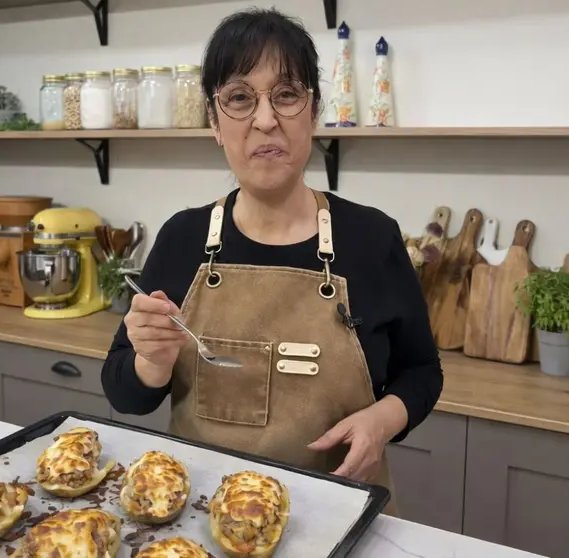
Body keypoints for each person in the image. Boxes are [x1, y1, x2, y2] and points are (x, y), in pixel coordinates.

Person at [101, 8, 442, 515]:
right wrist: (152, 362)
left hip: (337, 514)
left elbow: (421, 371)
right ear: (214, 123)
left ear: (313, 111)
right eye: (240, 98)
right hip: (197, 516)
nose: (265, 120)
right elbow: (125, 394)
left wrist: (381, 421)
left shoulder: (372, 237)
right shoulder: (181, 239)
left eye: (286, 95)